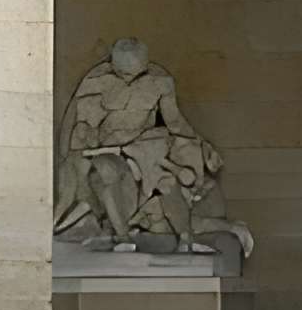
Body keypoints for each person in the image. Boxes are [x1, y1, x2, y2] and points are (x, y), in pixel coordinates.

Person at [52, 36, 251, 260]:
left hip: (144, 149)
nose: (130, 79)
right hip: (108, 152)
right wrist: (70, 158)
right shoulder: (96, 81)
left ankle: (185, 239)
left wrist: (202, 145)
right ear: (114, 65)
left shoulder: (160, 81)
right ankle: (123, 237)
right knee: (103, 171)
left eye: (136, 73)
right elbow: (77, 127)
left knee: (166, 181)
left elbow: (175, 122)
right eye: (124, 73)